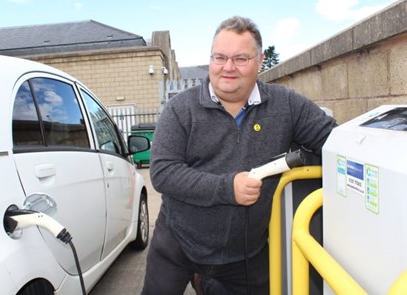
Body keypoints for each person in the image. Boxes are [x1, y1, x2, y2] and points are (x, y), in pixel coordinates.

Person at [141, 16, 336, 295]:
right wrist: (227, 188)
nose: (228, 67)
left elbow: (333, 141)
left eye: (240, 59)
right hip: (178, 243)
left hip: (245, 252)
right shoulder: (180, 109)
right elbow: (163, 172)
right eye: (220, 57)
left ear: (259, 61)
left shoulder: (287, 105)